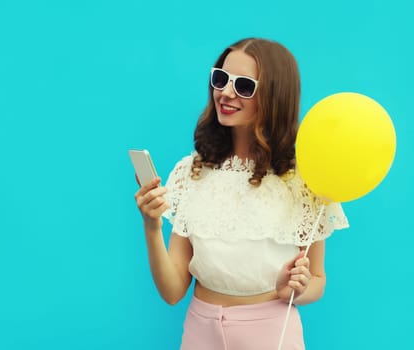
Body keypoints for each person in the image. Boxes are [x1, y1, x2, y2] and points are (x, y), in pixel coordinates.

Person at [134, 38, 349, 350]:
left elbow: (317, 279)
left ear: (275, 95)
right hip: (199, 332)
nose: (226, 93)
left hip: (271, 333)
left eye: (244, 85)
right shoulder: (191, 171)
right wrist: (152, 226)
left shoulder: (304, 179)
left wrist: (296, 289)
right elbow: (171, 292)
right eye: (220, 79)